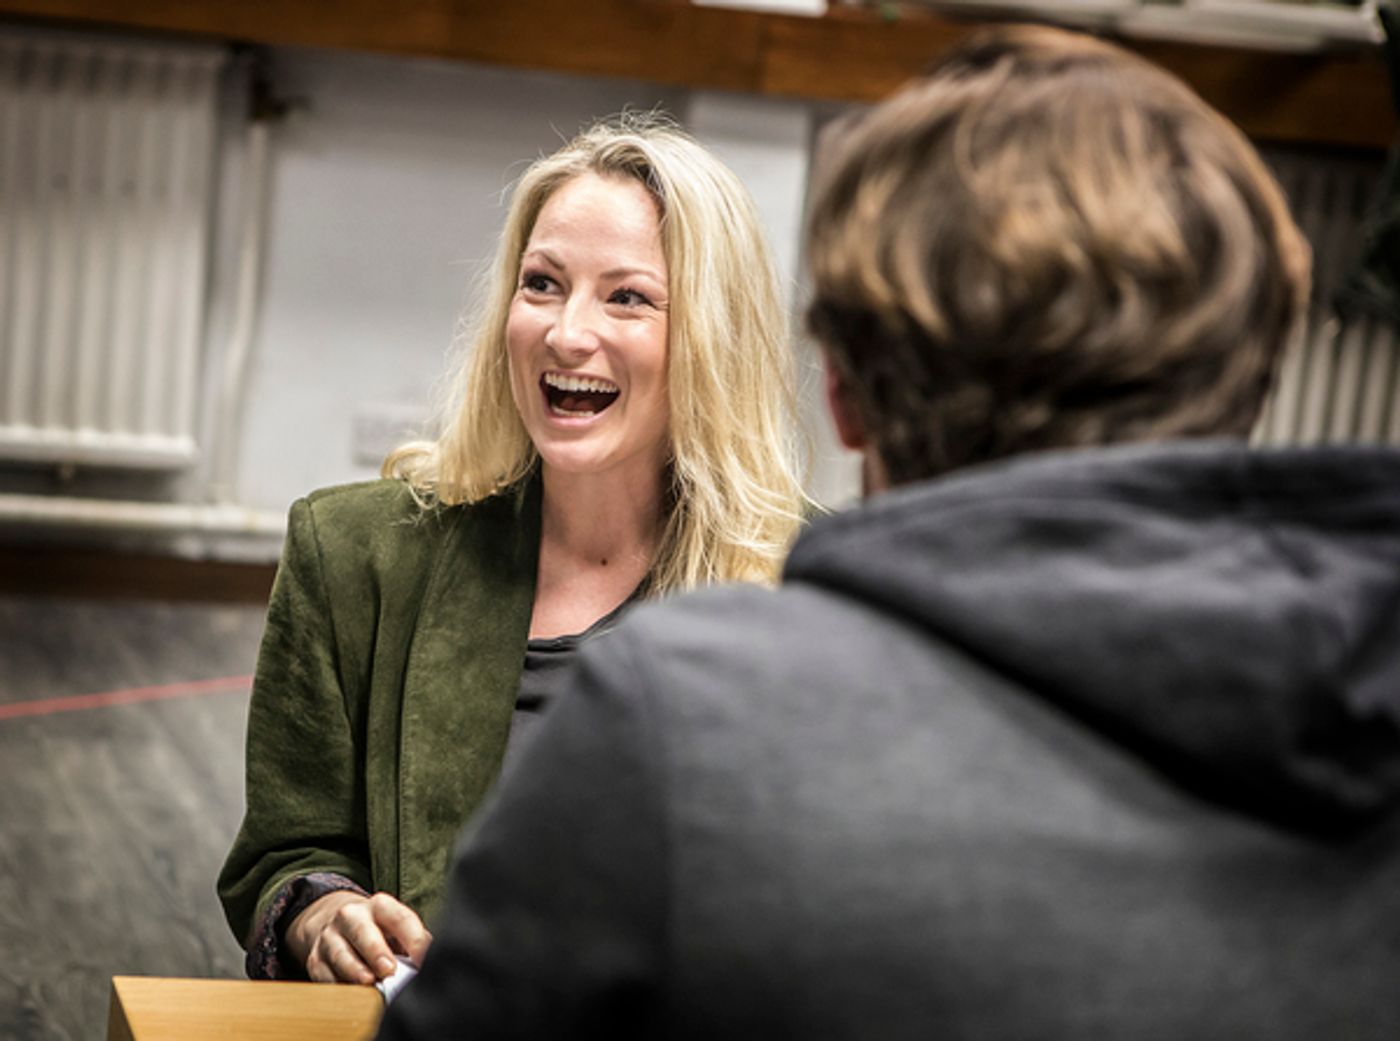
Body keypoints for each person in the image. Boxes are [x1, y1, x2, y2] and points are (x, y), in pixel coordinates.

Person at [375, 25, 1400, 1040]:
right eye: (543, 285)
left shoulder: (679, 721)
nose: (569, 330)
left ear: (843, 394)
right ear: (1253, 370)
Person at [216, 116, 808, 984]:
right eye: (542, 284)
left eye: (628, 297)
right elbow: (286, 851)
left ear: (713, 339)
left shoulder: (808, 595)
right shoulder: (353, 554)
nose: (568, 333)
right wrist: (326, 916)